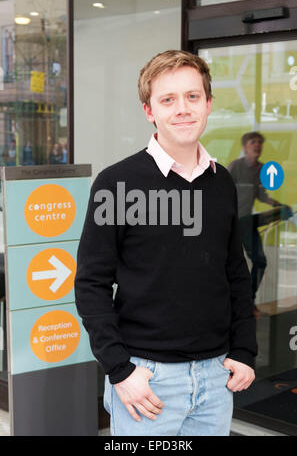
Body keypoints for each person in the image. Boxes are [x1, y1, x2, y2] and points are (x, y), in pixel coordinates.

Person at [75, 50, 257, 436]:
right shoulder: (116, 184)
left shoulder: (221, 181)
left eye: (192, 97)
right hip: (147, 382)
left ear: (208, 104)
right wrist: (120, 370)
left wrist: (244, 350)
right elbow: (91, 283)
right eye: (168, 99)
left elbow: (235, 273)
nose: (183, 109)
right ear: (148, 111)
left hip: (215, 377)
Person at [227, 132, 292, 318]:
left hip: (247, 222)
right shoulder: (236, 166)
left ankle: (248, 302)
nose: (257, 145)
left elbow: (262, 196)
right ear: (245, 147)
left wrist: (278, 205)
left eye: (259, 142)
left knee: (260, 262)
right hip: (233, 223)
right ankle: (236, 305)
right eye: (252, 142)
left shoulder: (261, 169)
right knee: (229, 266)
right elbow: (222, 192)